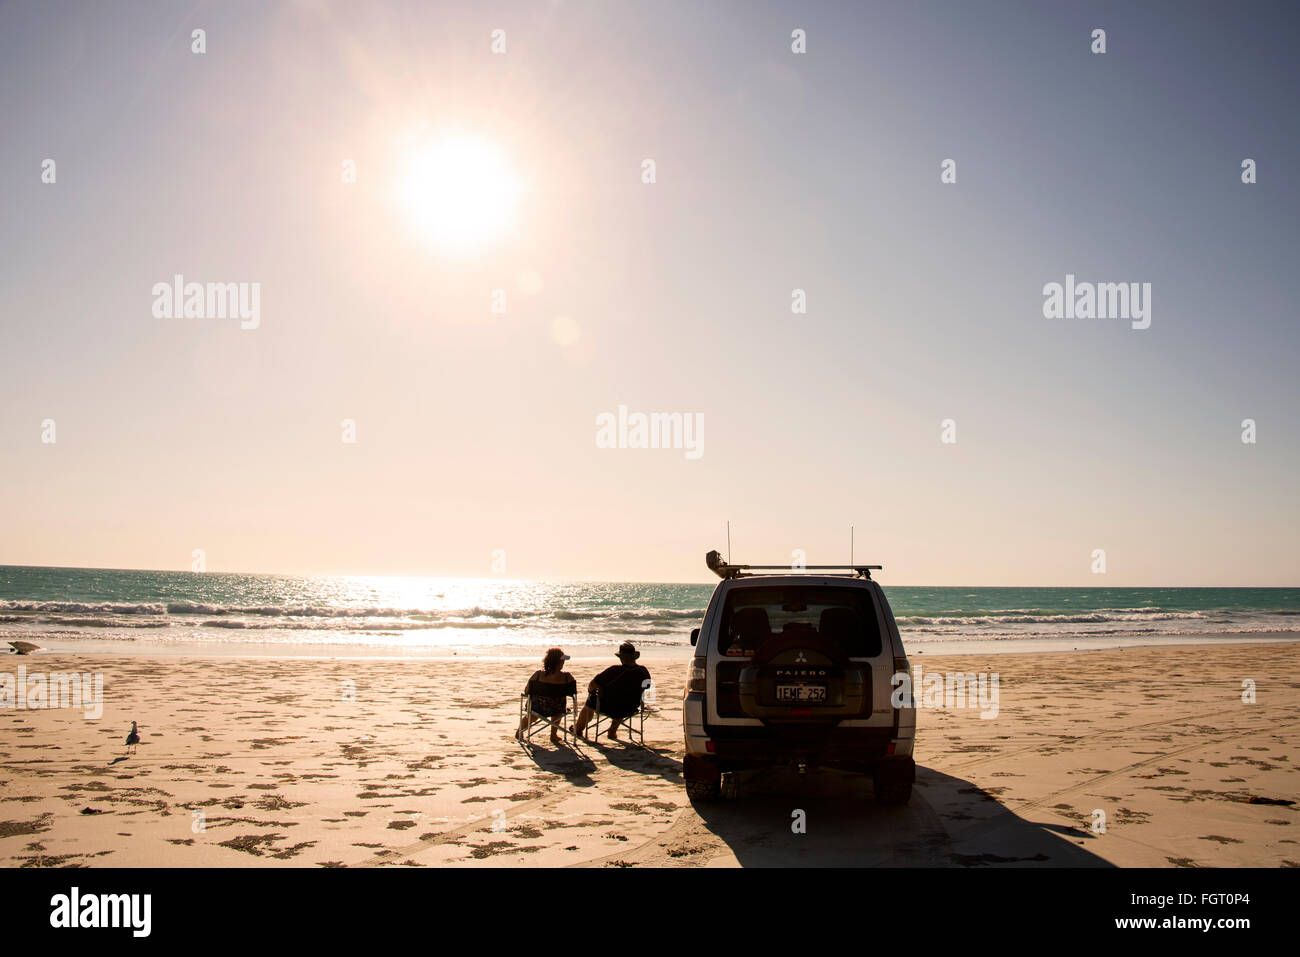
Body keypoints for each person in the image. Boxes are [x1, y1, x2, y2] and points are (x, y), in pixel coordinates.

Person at [573, 642, 652, 740]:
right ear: (634, 657)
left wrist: (590, 691)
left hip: (610, 706)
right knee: (623, 699)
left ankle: (578, 729)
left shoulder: (614, 670)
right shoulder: (643, 671)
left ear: (621, 657)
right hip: (631, 706)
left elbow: (593, 684)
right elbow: (647, 686)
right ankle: (612, 731)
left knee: (591, 700)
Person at [516, 648, 576, 745]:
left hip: (537, 708)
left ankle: (520, 732)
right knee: (559, 704)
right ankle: (553, 735)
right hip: (557, 709)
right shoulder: (567, 677)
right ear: (558, 662)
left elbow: (527, 691)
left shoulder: (538, 675)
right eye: (562, 661)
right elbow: (573, 693)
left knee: (532, 713)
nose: (563, 663)